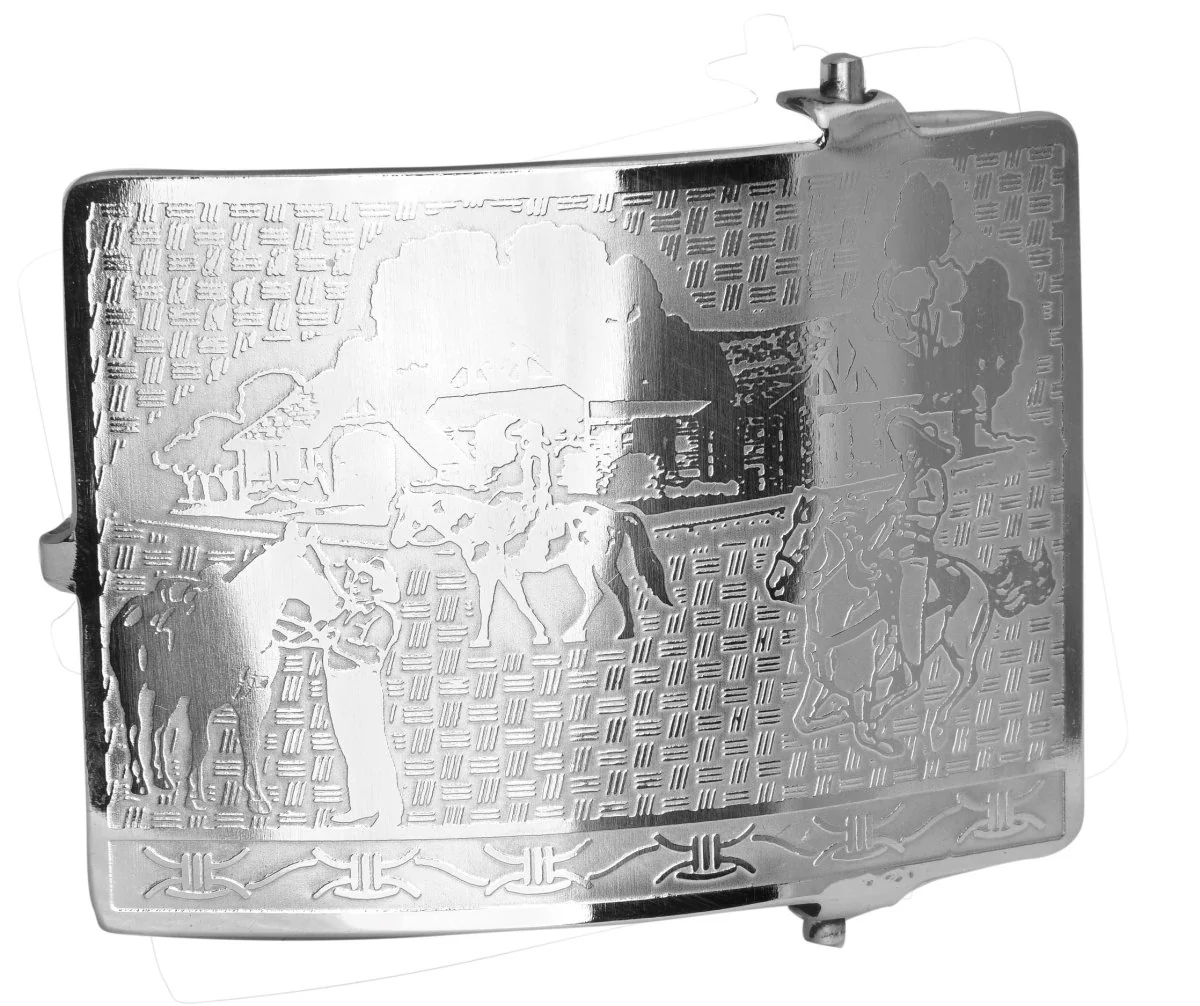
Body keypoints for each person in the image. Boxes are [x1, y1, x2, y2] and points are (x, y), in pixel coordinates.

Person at [308, 547, 405, 827]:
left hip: (361, 686)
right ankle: (362, 805)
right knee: (351, 748)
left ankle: (390, 812)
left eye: (362, 580)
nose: (353, 584)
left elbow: (372, 657)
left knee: (372, 746)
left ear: (378, 587)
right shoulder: (348, 613)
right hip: (337, 685)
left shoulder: (382, 617)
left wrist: (336, 642)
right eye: (353, 578)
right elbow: (329, 630)